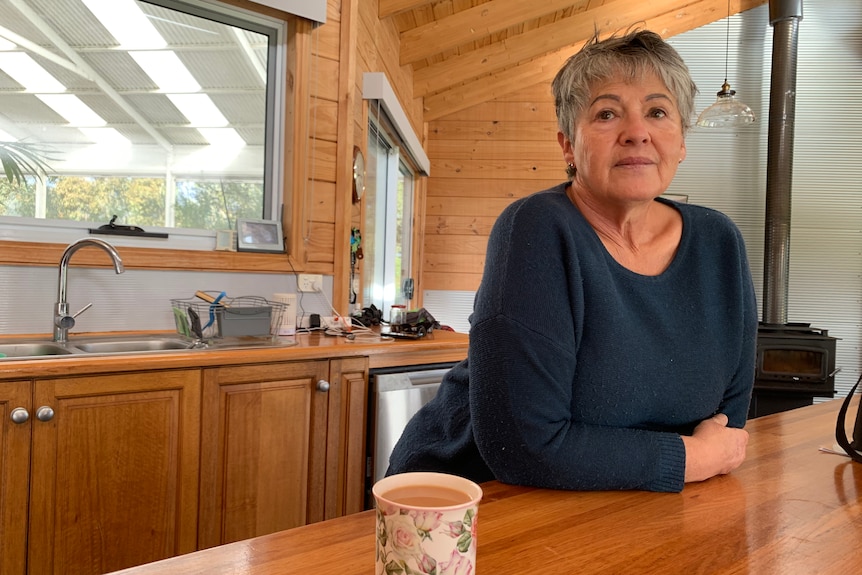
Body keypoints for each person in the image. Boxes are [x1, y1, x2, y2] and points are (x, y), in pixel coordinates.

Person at [386, 29, 757, 493]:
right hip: (470, 500)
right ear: (568, 145)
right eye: (607, 114)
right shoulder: (537, 228)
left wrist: (689, 459)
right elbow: (524, 447)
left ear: (681, 142)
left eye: (658, 112)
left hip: (630, 503)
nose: (637, 133)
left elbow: (727, 421)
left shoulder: (719, 241)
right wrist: (688, 457)